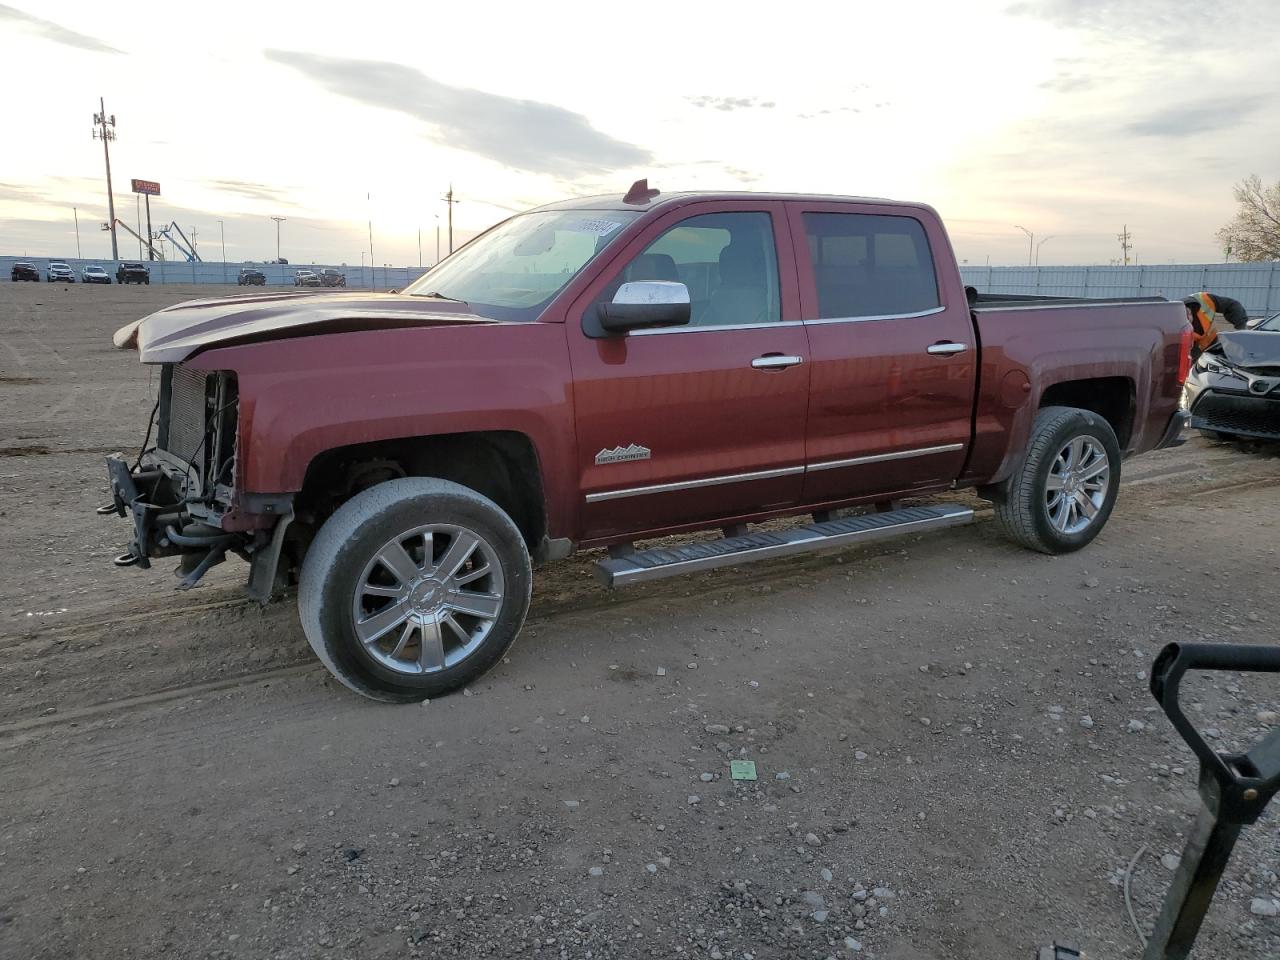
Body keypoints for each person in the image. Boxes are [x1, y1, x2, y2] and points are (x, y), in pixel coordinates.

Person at [1183, 292, 1249, 359]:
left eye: (1188, 313)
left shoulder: (1203, 300)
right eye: (1183, 316)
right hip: (1195, 350)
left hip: (1213, 343)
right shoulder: (1177, 332)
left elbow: (1232, 305)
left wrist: (1241, 328)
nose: (1187, 317)